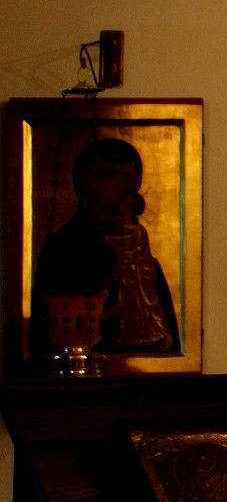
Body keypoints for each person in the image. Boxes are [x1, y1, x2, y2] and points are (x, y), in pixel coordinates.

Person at [30, 137, 180, 360]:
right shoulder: (65, 249)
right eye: (109, 175)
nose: (124, 186)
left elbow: (168, 340)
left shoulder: (143, 255)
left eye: (129, 178)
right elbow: (56, 324)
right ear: (87, 183)